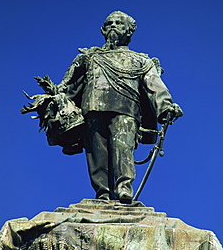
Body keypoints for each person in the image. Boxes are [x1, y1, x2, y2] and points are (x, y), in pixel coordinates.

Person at [36, 11, 183, 203]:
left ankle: (124, 189)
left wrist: (166, 107)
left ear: (129, 32)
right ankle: (102, 193)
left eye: (119, 24)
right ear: (103, 30)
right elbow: (67, 86)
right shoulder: (88, 57)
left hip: (127, 110)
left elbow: (155, 86)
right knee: (97, 154)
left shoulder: (142, 61)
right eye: (109, 23)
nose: (114, 26)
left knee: (123, 149)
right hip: (93, 108)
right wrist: (53, 95)